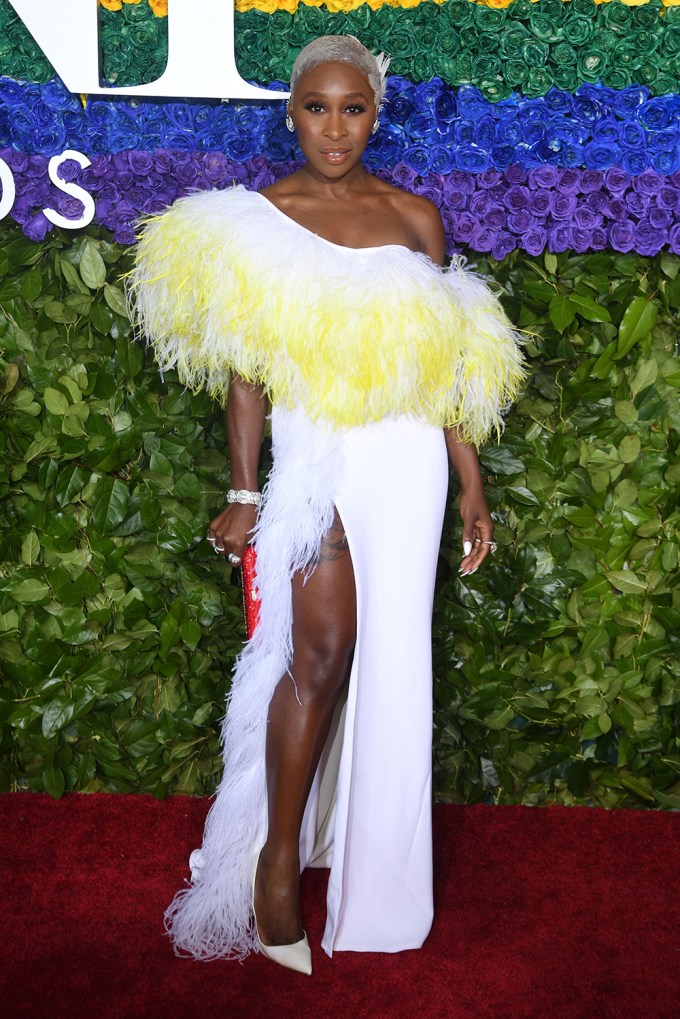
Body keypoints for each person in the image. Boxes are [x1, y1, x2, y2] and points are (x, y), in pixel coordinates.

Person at [130, 35, 526, 975]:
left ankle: (376, 885)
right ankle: (276, 863)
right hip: (315, 458)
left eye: (353, 108)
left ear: (375, 114)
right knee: (320, 649)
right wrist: (242, 490)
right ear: (292, 112)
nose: (334, 127)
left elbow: (449, 369)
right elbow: (244, 379)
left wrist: (471, 483)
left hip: (406, 462)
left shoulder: (416, 219)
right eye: (317, 107)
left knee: (392, 659)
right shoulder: (258, 220)